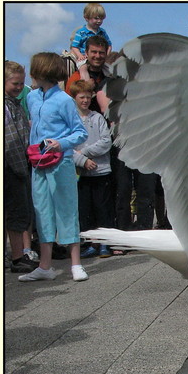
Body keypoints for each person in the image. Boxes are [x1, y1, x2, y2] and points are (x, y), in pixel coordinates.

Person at [18, 52, 89, 282]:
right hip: (38, 162)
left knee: (67, 209)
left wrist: (61, 143)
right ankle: (45, 266)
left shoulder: (65, 100)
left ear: (41, 71)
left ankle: (76, 263)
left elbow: (80, 132)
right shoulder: (32, 98)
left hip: (61, 162)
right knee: (42, 211)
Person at [69, 80, 114, 258]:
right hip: (81, 173)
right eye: (82, 97)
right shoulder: (70, 120)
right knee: (85, 210)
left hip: (101, 170)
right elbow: (67, 146)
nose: (85, 100)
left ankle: (104, 243)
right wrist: (81, 160)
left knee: (102, 208)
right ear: (75, 98)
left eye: (88, 97)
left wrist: (85, 153)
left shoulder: (98, 118)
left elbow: (106, 141)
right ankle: (91, 243)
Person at [5, 62, 38, 273]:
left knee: (17, 213)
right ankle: (17, 257)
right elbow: (9, 141)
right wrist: (21, 168)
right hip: (12, 167)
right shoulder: (5, 106)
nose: (19, 87)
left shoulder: (14, 103)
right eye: (15, 83)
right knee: (16, 214)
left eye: (21, 83)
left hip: (16, 166)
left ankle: (18, 255)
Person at [65, 35, 110, 113]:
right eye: (94, 52)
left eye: (101, 53)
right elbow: (67, 107)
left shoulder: (112, 76)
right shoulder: (77, 78)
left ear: (106, 53)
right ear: (86, 53)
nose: (98, 56)